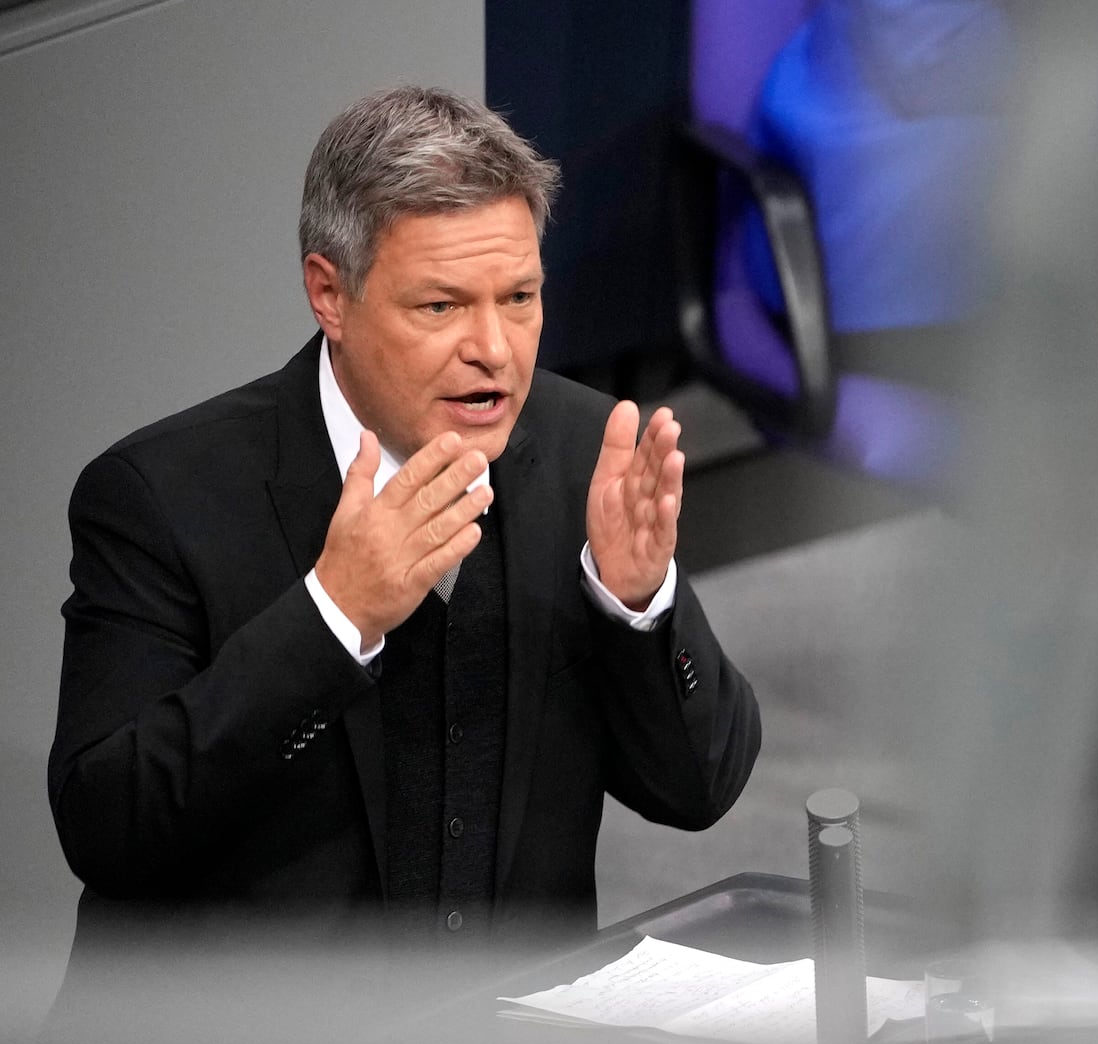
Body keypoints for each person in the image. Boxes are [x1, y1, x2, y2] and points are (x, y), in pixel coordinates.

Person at [48, 85, 761, 991]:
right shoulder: (160, 497)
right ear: (328, 294)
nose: (494, 349)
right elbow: (107, 829)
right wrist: (331, 617)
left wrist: (636, 607)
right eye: (440, 307)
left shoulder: (584, 450)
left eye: (520, 297)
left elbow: (701, 790)